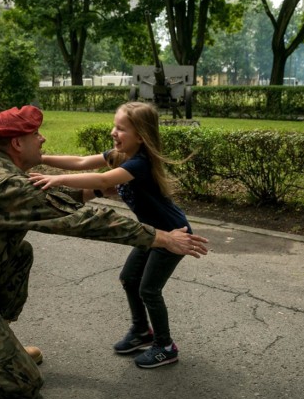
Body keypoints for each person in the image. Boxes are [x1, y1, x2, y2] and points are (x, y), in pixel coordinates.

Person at [0, 105, 208, 399]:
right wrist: (161, 238)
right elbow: (84, 222)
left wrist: (95, 190)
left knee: (20, 253)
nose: (42, 138)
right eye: (35, 135)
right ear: (17, 143)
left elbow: (50, 202)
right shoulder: (5, 187)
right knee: (23, 386)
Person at [29, 101, 194, 369]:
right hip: (148, 232)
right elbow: (81, 162)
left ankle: (165, 345)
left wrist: (57, 180)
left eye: (121, 128)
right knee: (129, 279)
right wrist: (41, 159)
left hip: (172, 233)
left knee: (149, 289)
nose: (113, 133)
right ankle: (142, 331)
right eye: (114, 126)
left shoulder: (140, 163)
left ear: (141, 136)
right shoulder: (121, 155)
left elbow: (104, 181)